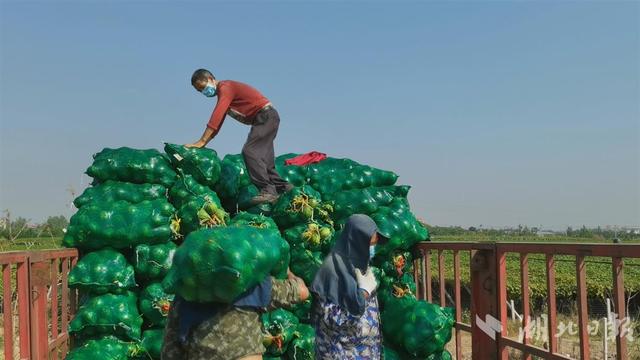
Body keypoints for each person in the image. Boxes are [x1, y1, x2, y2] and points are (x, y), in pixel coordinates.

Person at [186, 69, 292, 204]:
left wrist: (201, 141)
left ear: (212, 79)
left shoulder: (225, 88)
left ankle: (268, 191)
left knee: (250, 152)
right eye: (199, 91)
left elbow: (216, 116)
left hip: (265, 116)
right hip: (267, 118)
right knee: (265, 159)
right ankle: (286, 188)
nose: (204, 92)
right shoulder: (225, 93)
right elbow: (218, 124)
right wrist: (206, 141)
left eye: (203, 87)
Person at [161, 270, 309, 360]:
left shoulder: (184, 297)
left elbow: (170, 352)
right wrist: (288, 272)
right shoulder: (253, 285)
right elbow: (302, 292)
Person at [310, 214, 388, 359]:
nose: (373, 249)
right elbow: (332, 321)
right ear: (358, 243)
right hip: (341, 353)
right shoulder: (333, 271)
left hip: (362, 351)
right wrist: (364, 292)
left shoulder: (359, 266)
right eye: (370, 245)